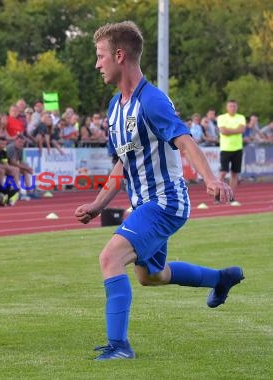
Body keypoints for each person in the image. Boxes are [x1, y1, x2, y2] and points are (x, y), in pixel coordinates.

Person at [74, 21, 244, 361]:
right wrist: (96, 205)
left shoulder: (152, 101)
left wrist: (210, 179)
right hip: (145, 207)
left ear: (119, 55)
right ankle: (220, 279)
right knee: (152, 277)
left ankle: (119, 347)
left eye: (100, 56)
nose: (97, 64)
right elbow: (121, 165)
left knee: (110, 258)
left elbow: (185, 141)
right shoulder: (115, 108)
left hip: (164, 203)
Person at [216, 100, 246, 206]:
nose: (232, 108)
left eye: (234, 106)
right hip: (225, 148)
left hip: (238, 148)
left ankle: (231, 197)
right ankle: (217, 195)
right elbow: (223, 131)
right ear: (227, 107)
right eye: (230, 106)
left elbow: (242, 129)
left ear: (236, 107)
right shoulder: (221, 117)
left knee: (234, 173)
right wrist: (235, 130)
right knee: (223, 172)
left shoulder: (241, 117)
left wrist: (229, 131)